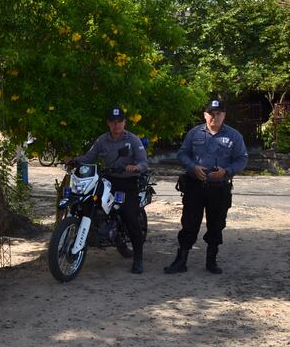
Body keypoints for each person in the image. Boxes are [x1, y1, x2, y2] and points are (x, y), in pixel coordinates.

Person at [164, 99, 248, 275]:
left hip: (219, 188)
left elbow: (242, 159)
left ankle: (211, 260)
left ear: (224, 115)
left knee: (216, 225)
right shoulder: (194, 133)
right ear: (205, 115)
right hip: (195, 186)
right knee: (189, 223)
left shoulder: (234, 136)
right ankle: (181, 260)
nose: (214, 118)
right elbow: (182, 154)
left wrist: (227, 171)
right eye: (211, 114)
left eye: (218, 114)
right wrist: (192, 167)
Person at [72, 107, 148, 274]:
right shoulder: (102, 140)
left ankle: (138, 258)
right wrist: (74, 161)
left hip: (127, 182)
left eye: (119, 121)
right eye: (113, 121)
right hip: (108, 180)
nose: (116, 125)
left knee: (129, 215)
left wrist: (135, 167)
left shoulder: (133, 140)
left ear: (124, 122)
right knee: (88, 202)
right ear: (108, 123)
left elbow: (143, 162)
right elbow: (89, 157)